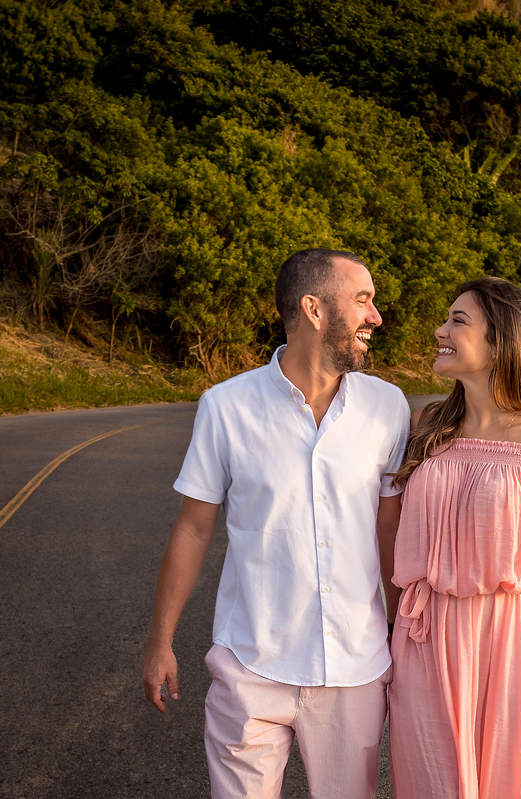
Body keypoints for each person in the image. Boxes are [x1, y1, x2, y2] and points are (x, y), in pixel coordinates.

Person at [140, 248, 410, 799]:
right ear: (314, 308)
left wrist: (404, 631)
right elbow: (193, 528)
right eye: (363, 300)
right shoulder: (226, 406)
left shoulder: (389, 407)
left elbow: (390, 531)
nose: (376, 316)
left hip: (353, 672)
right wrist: (160, 640)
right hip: (250, 666)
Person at [382, 276, 521, 799]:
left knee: (509, 784)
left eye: (458, 320)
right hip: (424, 635)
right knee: (430, 782)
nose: (440, 330)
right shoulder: (428, 424)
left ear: (501, 340)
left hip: (510, 639)